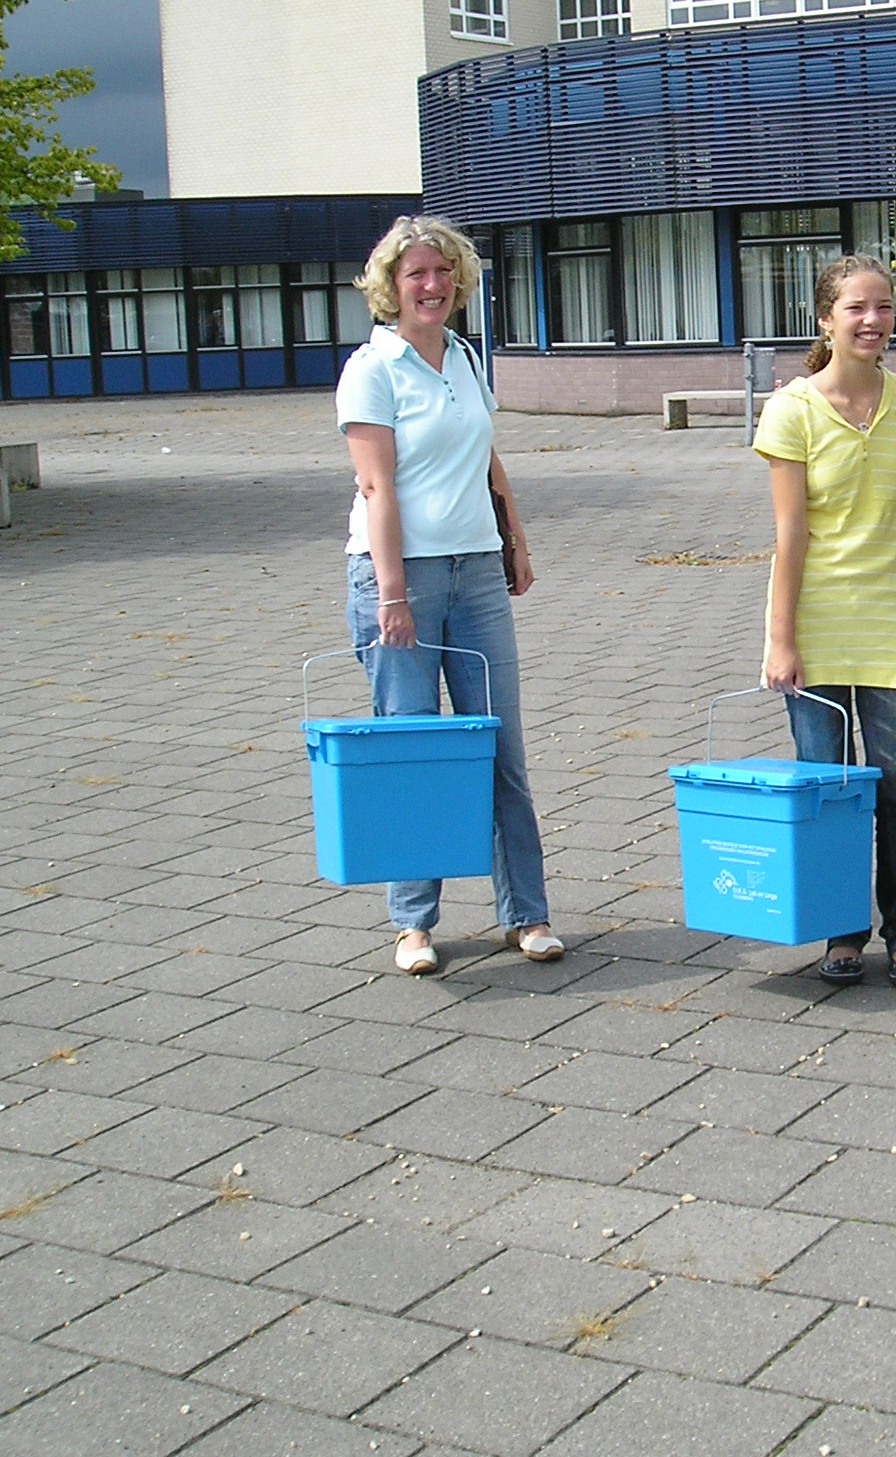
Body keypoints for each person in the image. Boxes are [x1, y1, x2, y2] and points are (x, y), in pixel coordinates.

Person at [335, 215, 563, 974]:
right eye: (416, 275)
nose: (432, 286)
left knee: (500, 746)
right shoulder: (373, 368)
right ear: (391, 287)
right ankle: (413, 924)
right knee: (415, 751)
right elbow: (376, 486)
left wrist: (515, 538)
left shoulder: (463, 356)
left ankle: (526, 914)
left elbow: (485, 455)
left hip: (476, 573)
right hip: (401, 577)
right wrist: (393, 595)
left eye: (442, 272)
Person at [756, 255, 896, 988]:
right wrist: (780, 640)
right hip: (815, 622)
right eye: (856, 308)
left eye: (884, 306)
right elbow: (789, 536)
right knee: (831, 788)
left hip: (891, 621)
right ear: (824, 319)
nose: (873, 320)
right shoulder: (791, 410)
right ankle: (842, 929)